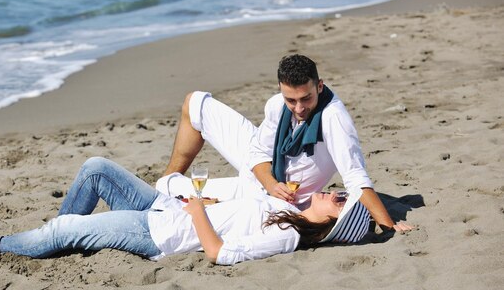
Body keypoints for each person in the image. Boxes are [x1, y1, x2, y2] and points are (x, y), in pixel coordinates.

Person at [0, 157, 371, 266]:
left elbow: (220, 254)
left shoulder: (289, 236)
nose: (330, 192)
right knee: (95, 170)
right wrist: (209, 204)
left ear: (334, 220)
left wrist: (199, 209)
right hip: (168, 209)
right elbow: (236, 217)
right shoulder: (288, 211)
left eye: (337, 199)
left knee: (68, 226)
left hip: (159, 234)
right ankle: (56, 237)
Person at [157, 54, 412, 233]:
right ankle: (172, 176)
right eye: (291, 100)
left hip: (268, 198)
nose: (299, 108)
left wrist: (388, 225)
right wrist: (270, 182)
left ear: (319, 86)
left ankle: (168, 185)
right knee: (195, 102)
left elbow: (355, 176)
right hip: (264, 178)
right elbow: (257, 152)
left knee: (165, 187)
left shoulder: (334, 118)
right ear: (281, 90)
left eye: (306, 98)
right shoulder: (277, 104)